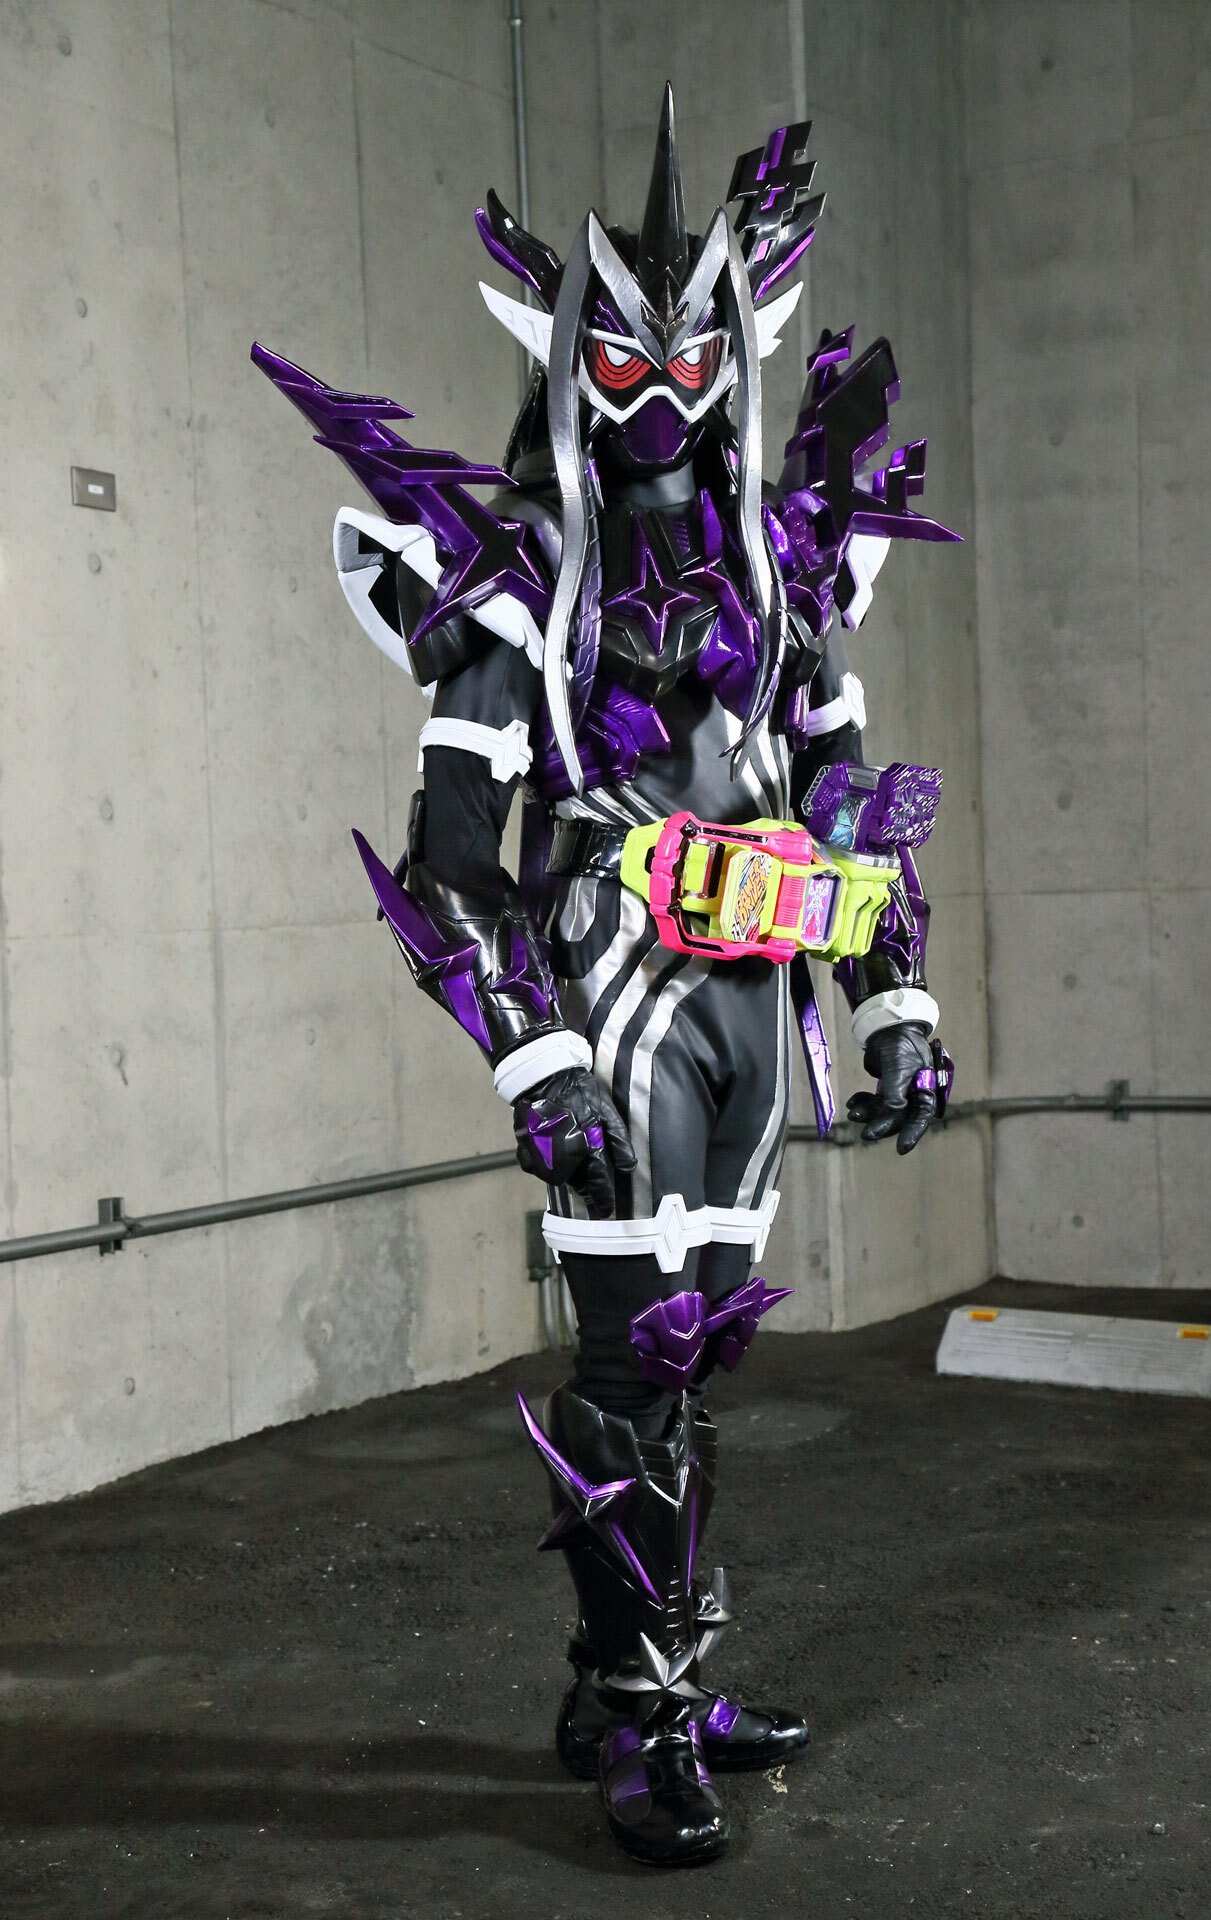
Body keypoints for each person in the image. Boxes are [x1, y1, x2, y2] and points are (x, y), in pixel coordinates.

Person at [254, 85, 956, 1869]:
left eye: (691, 354)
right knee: (636, 1361)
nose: (660, 388)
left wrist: (894, 1002)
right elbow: (453, 861)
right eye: (625, 356)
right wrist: (538, 1056)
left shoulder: (790, 561)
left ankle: (633, 1678)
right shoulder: (526, 570)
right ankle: (646, 1716)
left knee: (695, 1358)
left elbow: (848, 805)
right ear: (570, 353)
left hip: (757, 1002)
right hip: (614, 989)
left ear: (739, 348)